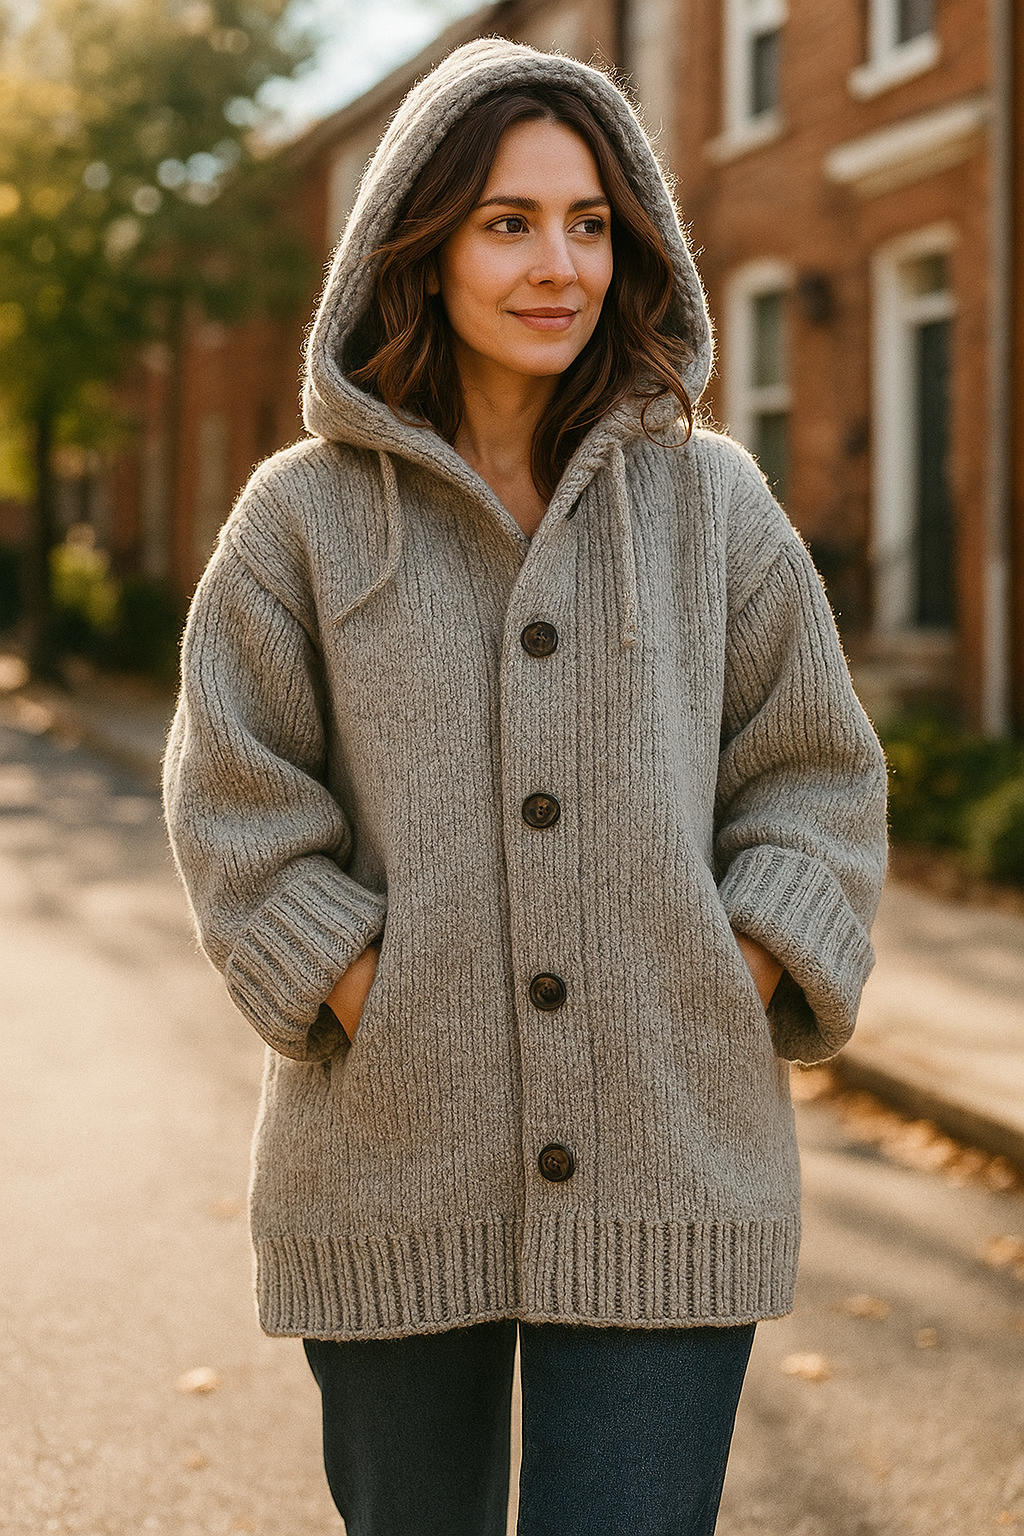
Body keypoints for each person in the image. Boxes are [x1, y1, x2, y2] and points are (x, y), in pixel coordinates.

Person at [163, 37, 888, 1536]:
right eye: (508, 222)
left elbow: (814, 776)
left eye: (590, 222)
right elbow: (234, 802)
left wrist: (721, 977)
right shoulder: (301, 522)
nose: (559, 262)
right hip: (386, 1169)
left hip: (670, 1167)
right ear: (416, 251)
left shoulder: (714, 507)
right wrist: (377, 991)